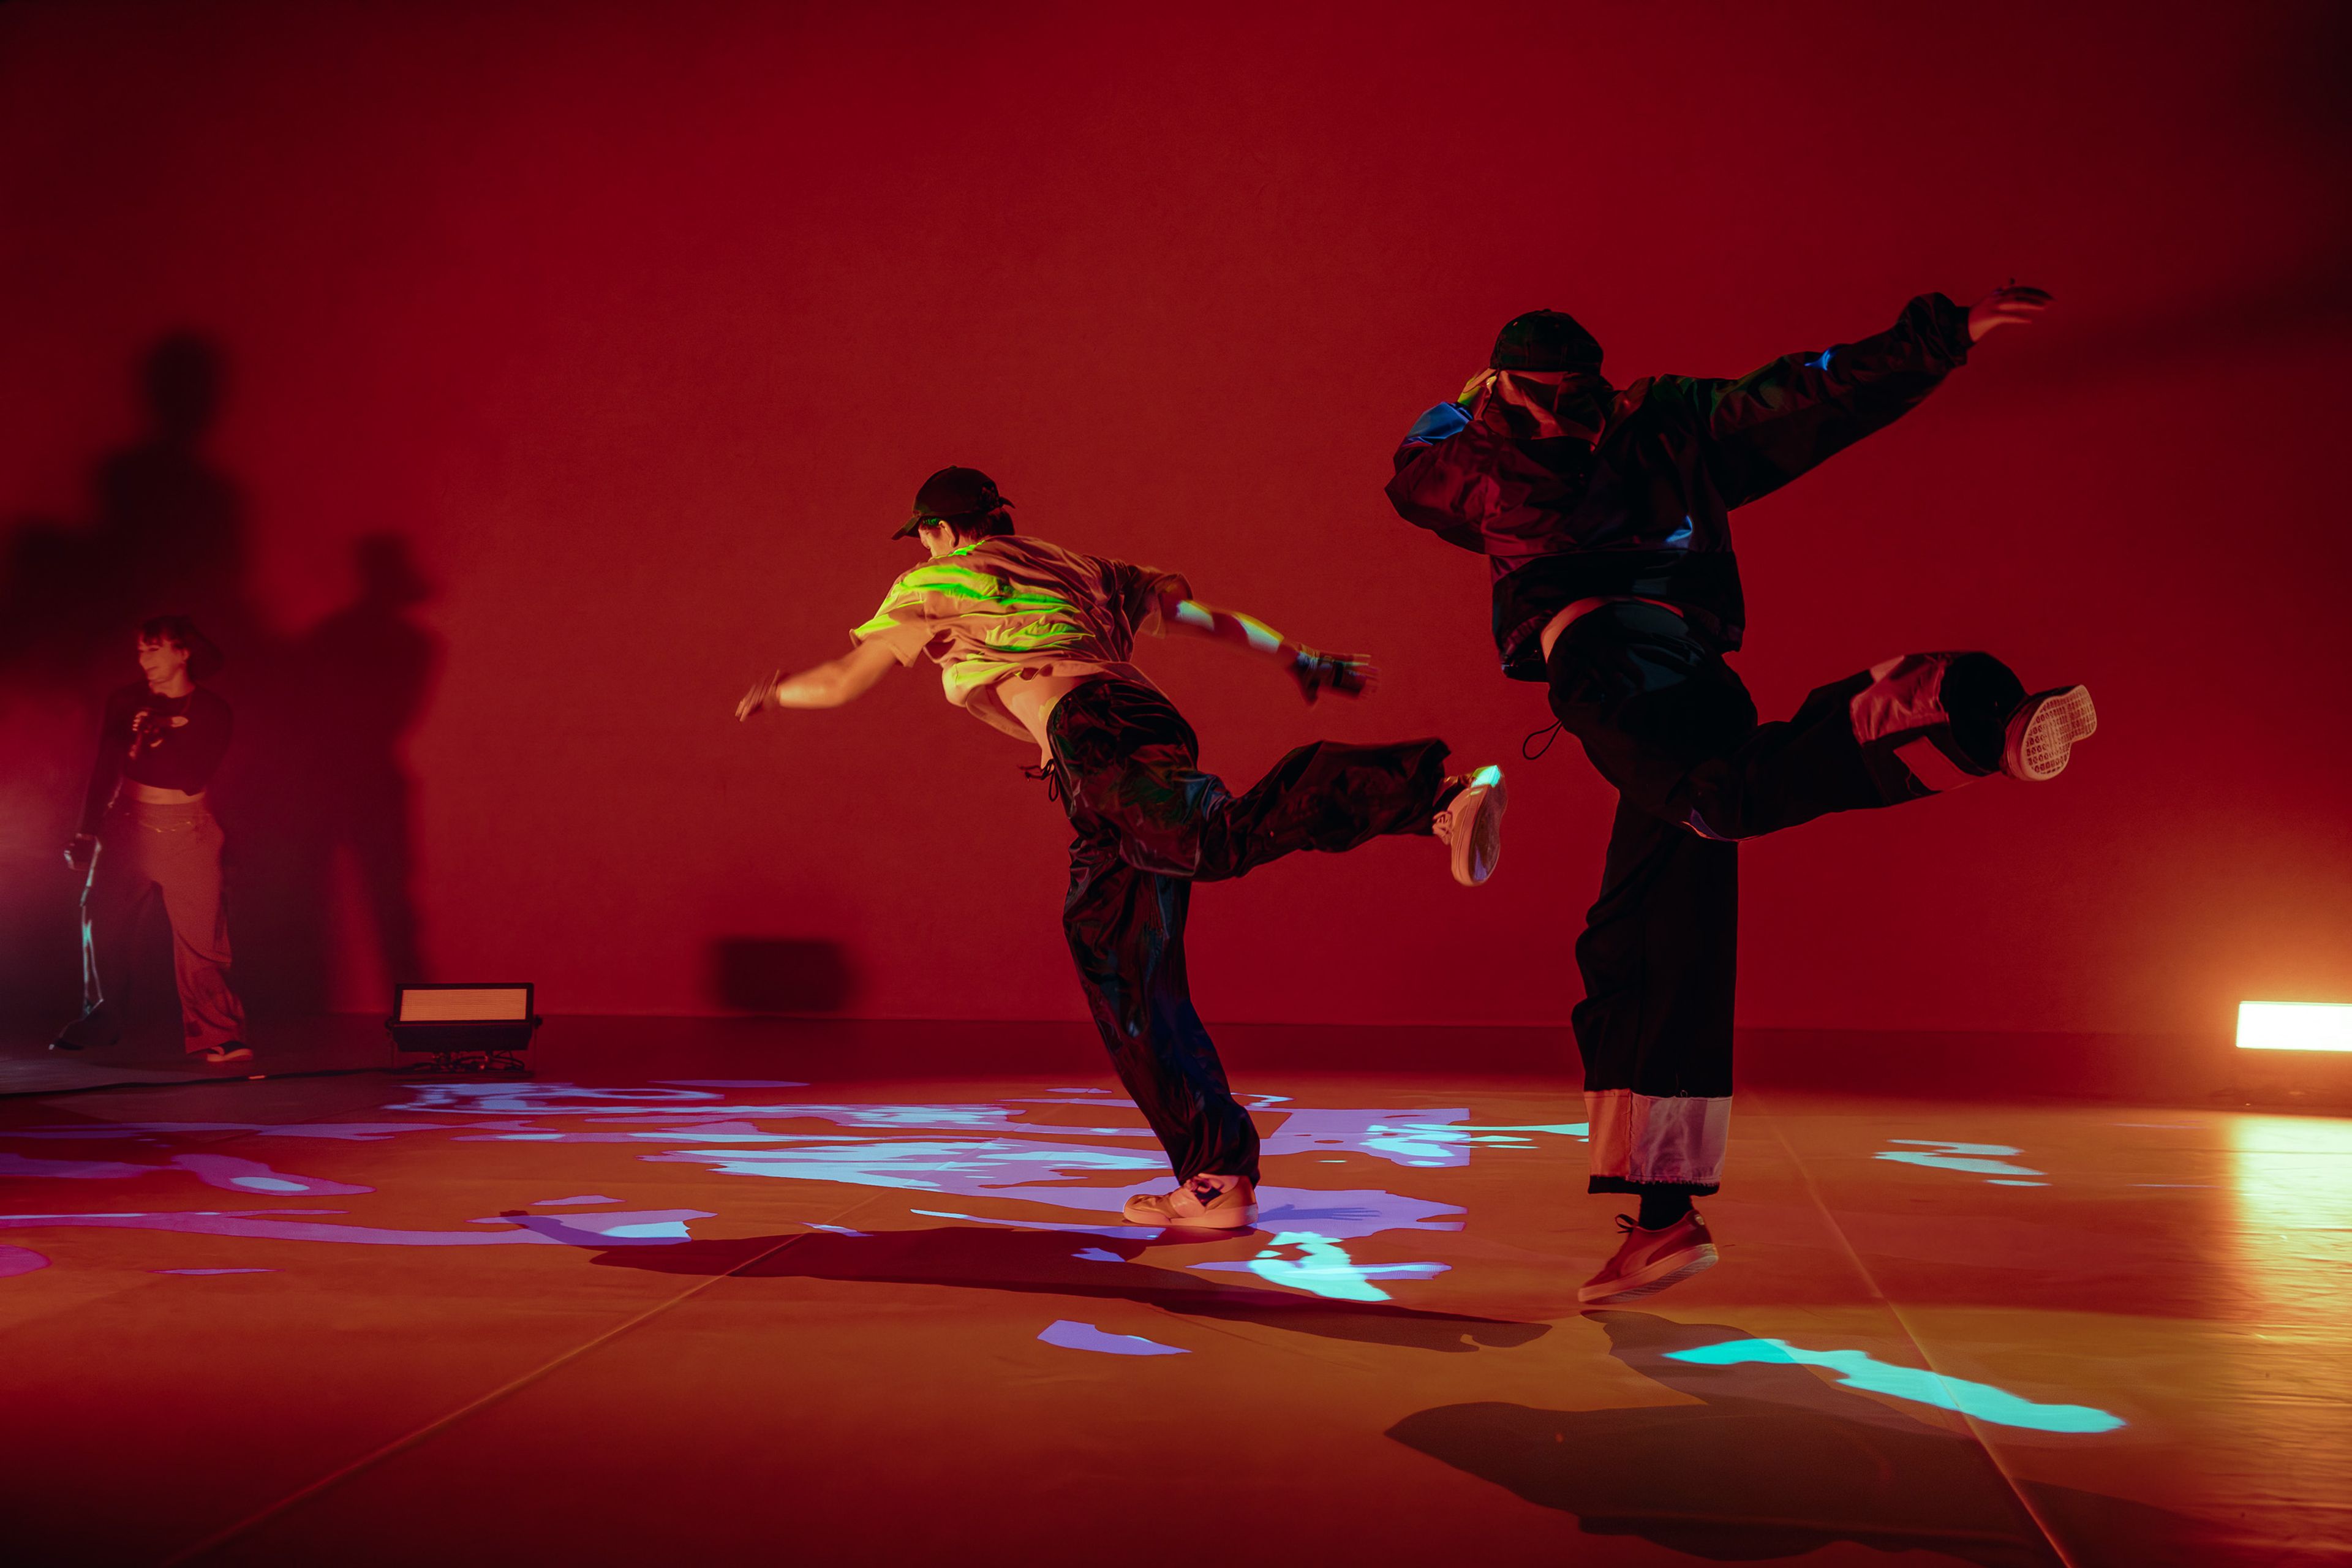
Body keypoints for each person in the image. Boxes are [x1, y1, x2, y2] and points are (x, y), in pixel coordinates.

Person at [1384, 284, 2095, 1305]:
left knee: (1712, 812)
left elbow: (1801, 396)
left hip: (1609, 659)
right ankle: (1664, 1221)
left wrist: (1934, 340)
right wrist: (1938, 342)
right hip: (1695, 670)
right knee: (1652, 933)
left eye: (1573, 399)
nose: (1561, 417)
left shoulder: (1500, 456)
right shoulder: (1658, 421)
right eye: (1543, 399)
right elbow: (1801, 397)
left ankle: (1942, 703)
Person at [736, 467, 1507, 1228]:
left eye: (926, 533)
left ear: (938, 530)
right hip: (1135, 723)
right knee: (1116, 958)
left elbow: (842, 680)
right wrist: (1300, 658)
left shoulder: (938, 581)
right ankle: (1216, 1174)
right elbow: (1204, 619)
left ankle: (1432, 796)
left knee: (1211, 839)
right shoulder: (1077, 567)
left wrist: (778, 692)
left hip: (1092, 734)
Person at [54, 616, 251, 1063]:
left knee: (202, 938)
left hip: (188, 833)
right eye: (141, 650)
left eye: (155, 649)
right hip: (125, 827)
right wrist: (86, 831)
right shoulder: (126, 701)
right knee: (100, 924)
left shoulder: (212, 710)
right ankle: (100, 1023)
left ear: (184, 653)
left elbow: (193, 776)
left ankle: (219, 1031)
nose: (145, 660)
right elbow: (105, 766)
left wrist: (162, 735)